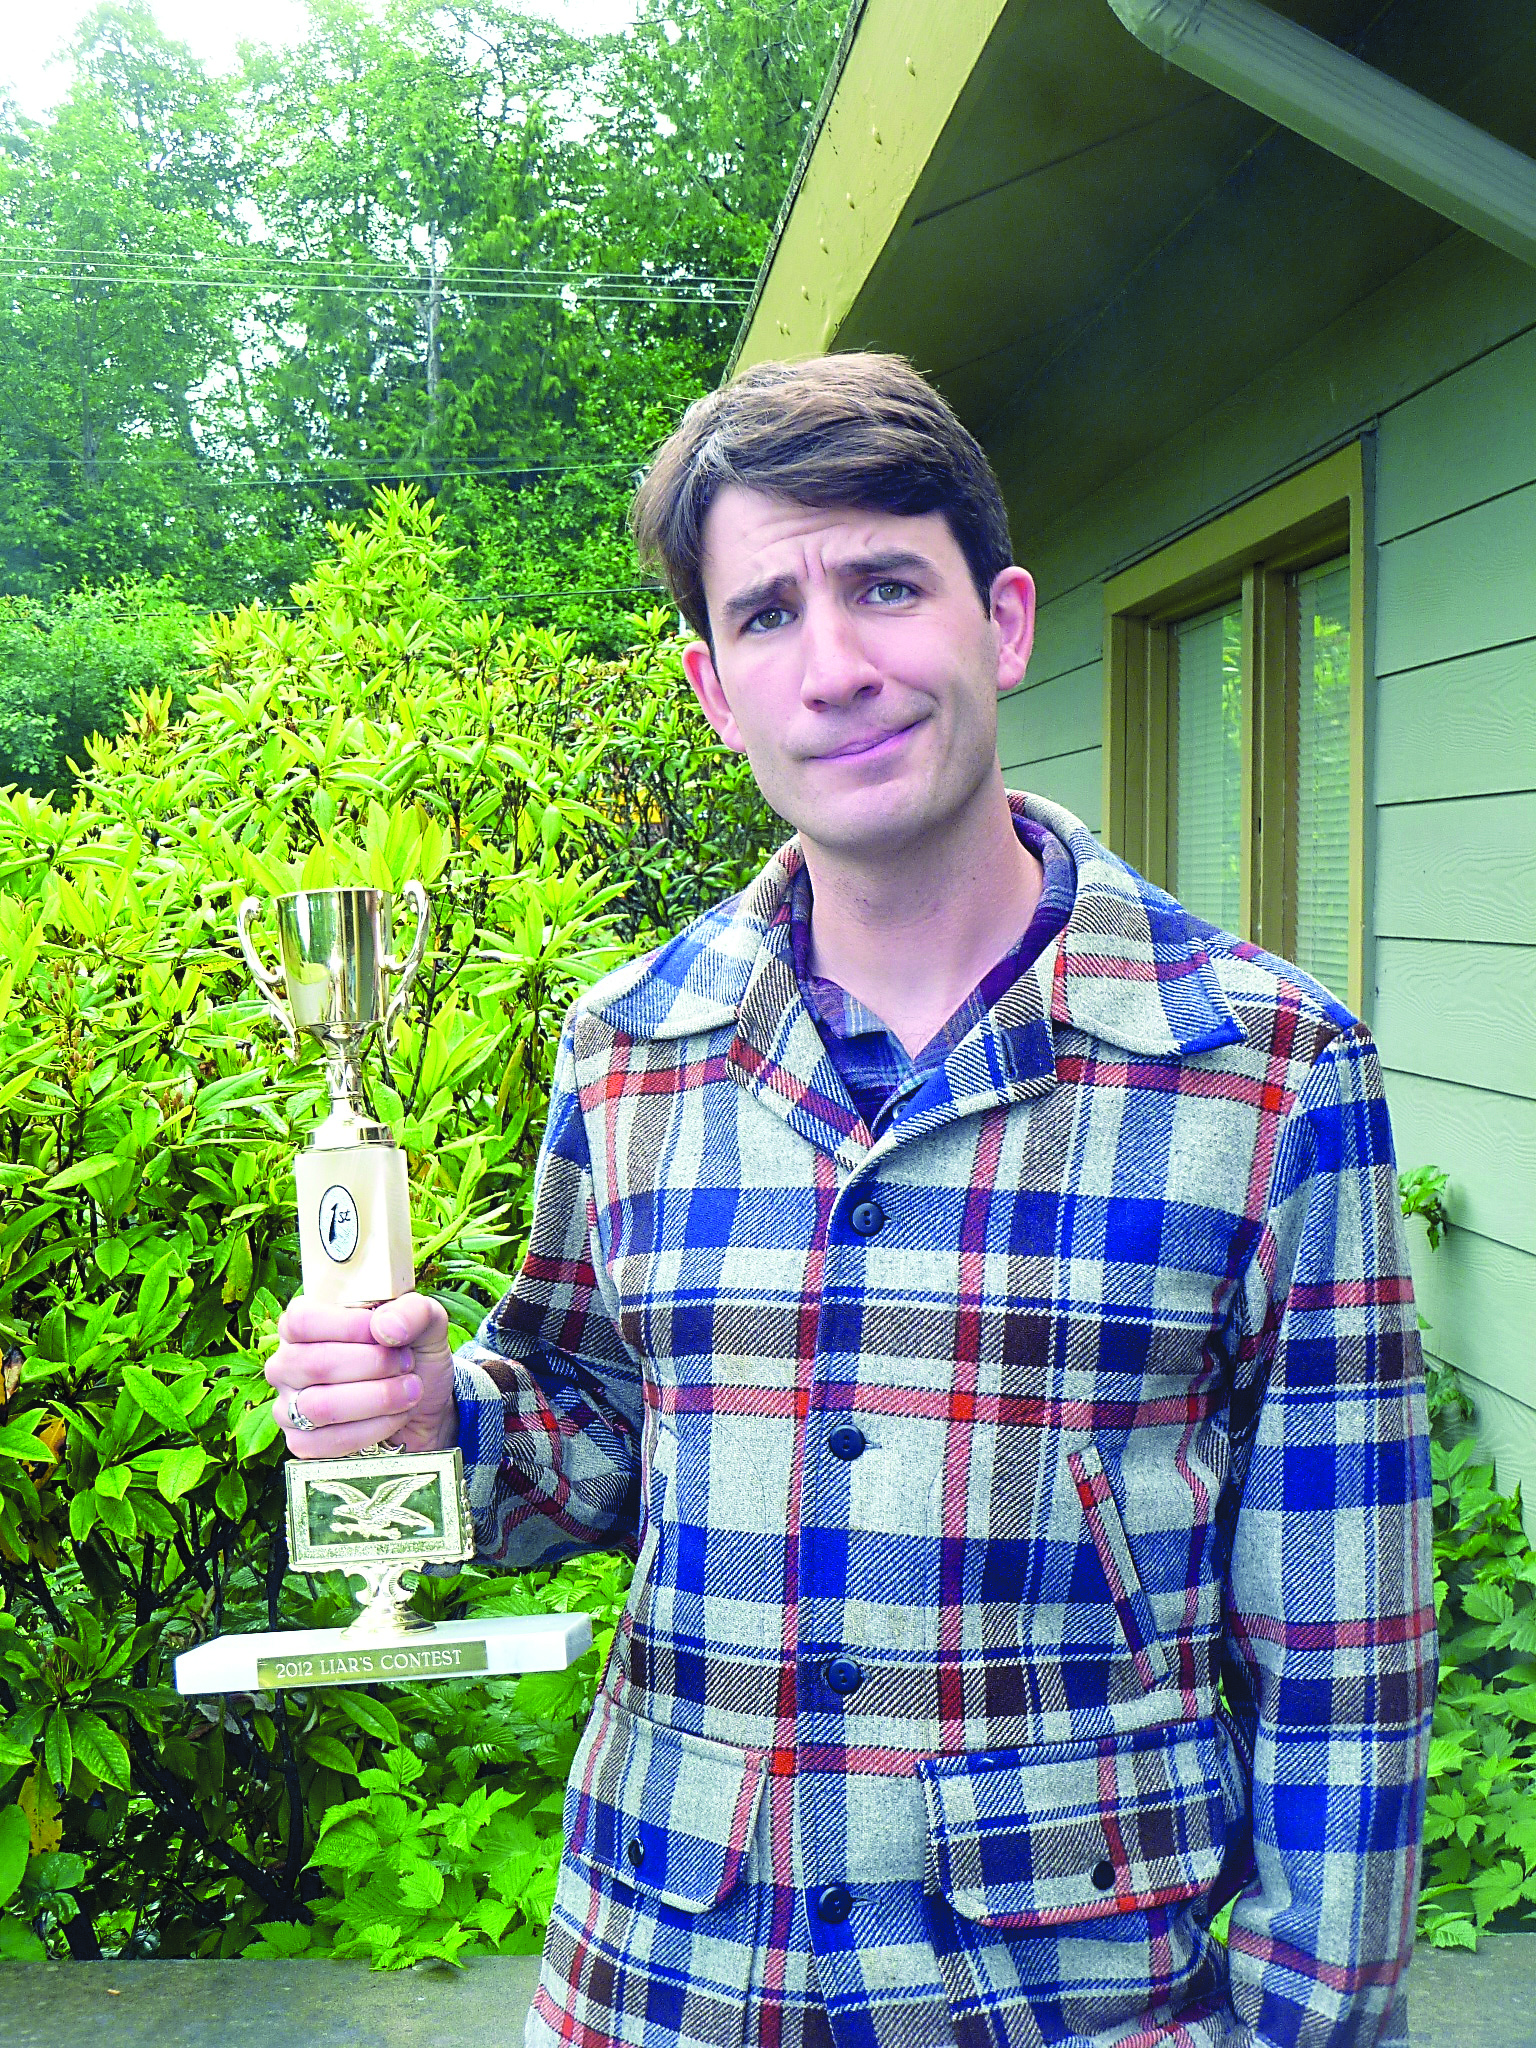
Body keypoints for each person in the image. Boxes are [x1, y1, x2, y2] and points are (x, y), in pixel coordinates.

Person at [267, 353, 1435, 2048]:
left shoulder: (1265, 1074)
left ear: (1004, 621)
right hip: (663, 1985)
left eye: (887, 583)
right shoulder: (630, 1048)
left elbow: (1348, 1675)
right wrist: (432, 1414)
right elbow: (594, 1433)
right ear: (715, 685)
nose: (837, 668)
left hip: (1073, 2003)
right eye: (767, 614)